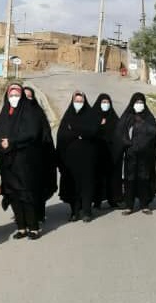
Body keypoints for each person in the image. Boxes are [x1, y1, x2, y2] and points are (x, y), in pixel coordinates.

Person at [0, 83, 45, 240]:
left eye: (16, 95)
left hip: (24, 161)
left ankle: (33, 228)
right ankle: (21, 227)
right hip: (7, 162)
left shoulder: (29, 112)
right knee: (13, 195)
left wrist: (12, 142)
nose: (14, 98)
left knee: (26, 195)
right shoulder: (4, 113)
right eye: (11, 95)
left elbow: (33, 133)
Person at [115, 93, 156, 215]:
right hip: (131, 154)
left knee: (144, 178)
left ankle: (144, 204)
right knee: (130, 179)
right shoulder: (127, 117)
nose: (139, 105)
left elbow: (154, 133)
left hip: (145, 155)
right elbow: (120, 132)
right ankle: (129, 205)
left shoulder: (148, 117)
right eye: (137, 102)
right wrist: (128, 144)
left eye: (141, 102)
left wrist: (144, 143)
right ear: (132, 103)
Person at [57, 91, 98, 222]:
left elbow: (93, 132)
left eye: (81, 101)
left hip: (87, 159)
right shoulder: (68, 116)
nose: (78, 103)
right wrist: (80, 134)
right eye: (76, 101)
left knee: (86, 185)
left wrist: (74, 129)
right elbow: (62, 136)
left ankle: (87, 211)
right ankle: (74, 212)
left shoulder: (90, 115)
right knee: (73, 185)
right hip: (70, 160)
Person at [23, 86, 58, 224]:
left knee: (38, 187)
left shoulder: (39, 114)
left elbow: (47, 137)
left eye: (29, 96)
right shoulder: (15, 116)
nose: (27, 99)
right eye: (24, 96)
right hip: (22, 160)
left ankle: (39, 214)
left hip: (39, 158)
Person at [92, 93, 121, 209]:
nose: (106, 105)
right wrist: (99, 124)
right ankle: (97, 200)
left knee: (112, 177)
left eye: (107, 102)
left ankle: (112, 199)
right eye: (103, 102)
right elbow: (89, 131)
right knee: (98, 177)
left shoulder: (113, 117)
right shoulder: (93, 116)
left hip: (112, 152)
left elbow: (120, 132)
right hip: (97, 152)